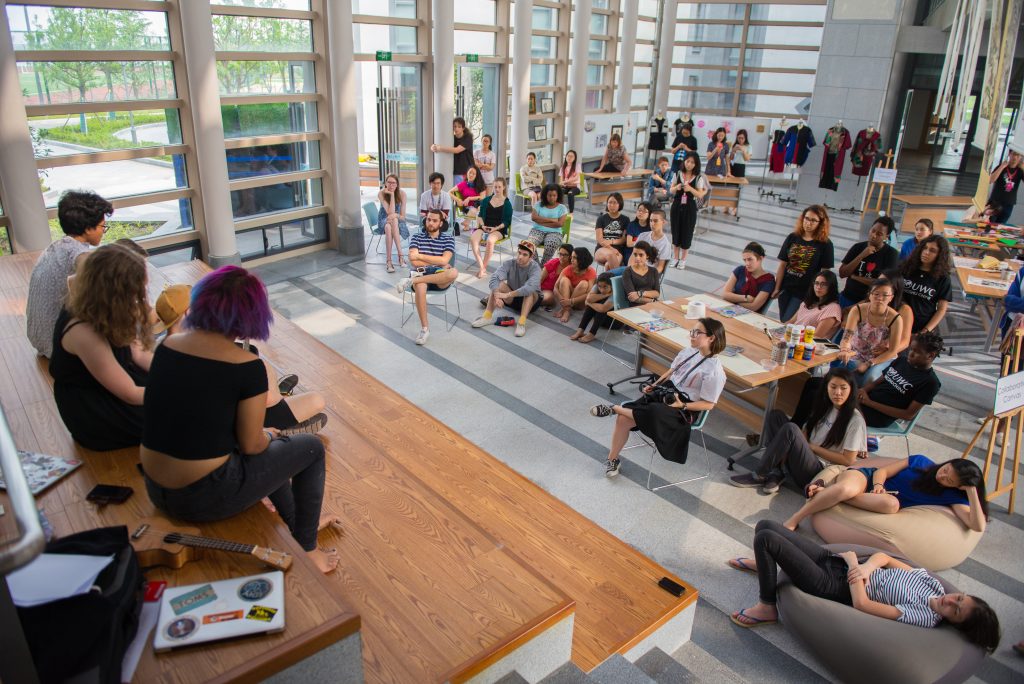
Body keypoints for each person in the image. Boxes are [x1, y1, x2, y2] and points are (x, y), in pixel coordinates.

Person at [140, 265, 338, 574]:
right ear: (251, 316)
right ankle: (309, 548)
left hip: (156, 487)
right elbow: (251, 446)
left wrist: (267, 439)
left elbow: (198, 420)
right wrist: (269, 437)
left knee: (275, 448)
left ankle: (301, 523)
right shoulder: (246, 365)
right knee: (310, 448)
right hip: (201, 496)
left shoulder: (168, 347)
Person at [726, 520, 1001, 655]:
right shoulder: (934, 586)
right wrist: (866, 567)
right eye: (959, 598)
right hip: (840, 564)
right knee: (766, 525)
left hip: (834, 585)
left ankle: (767, 606)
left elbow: (863, 605)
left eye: (956, 611)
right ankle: (766, 567)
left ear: (953, 622)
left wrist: (853, 565)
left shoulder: (926, 617)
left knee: (765, 539)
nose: (951, 602)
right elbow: (887, 558)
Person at [153, 283, 327, 435]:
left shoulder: (162, 346)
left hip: (207, 421)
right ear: (188, 313)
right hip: (237, 424)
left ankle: (283, 400)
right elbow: (264, 398)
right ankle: (280, 428)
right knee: (316, 400)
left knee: (254, 358)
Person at [590, 318, 727, 477]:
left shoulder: (715, 372)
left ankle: (614, 408)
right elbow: (672, 371)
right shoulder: (688, 351)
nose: (692, 335)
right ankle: (613, 460)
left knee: (653, 411)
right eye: (692, 331)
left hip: (685, 407)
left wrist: (681, 405)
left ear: (711, 338)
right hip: (667, 391)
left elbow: (709, 405)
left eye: (697, 333)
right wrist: (656, 384)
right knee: (623, 419)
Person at [50, 243, 151, 451]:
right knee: (179, 416)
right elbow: (129, 393)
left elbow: (139, 354)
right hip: (95, 408)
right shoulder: (83, 332)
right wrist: (177, 390)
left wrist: (177, 372)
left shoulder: (104, 308)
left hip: (116, 381)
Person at [730, 368, 866, 494]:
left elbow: (848, 460)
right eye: (833, 387)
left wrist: (812, 447)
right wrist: (801, 442)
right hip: (805, 455)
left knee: (791, 429)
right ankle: (776, 473)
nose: (838, 392)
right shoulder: (825, 405)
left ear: (851, 389)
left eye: (843, 388)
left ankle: (759, 474)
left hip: (817, 471)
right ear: (826, 387)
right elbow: (808, 428)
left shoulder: (855, 420)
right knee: (775, 416)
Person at [784, 455, 988, 533]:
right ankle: (795, 519)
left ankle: (827, 492)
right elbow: (883, 470)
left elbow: (977, 526)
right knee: (847, 489)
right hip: (867, 479)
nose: (942, 476)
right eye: (946, 470)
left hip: (881, 501)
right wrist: (878, 485)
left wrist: (970, 490)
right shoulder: (921, 462)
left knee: (892, 505)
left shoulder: (952, 496)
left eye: (949, 480)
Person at [26, 190, 112, 358]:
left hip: (38, 337)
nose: (104, 231)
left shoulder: (56, 247)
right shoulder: (79, 255)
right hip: (57, 346)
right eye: (103, 226)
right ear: (88, 228)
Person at [396, 209, 459, 346]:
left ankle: (410, 281)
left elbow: (445, 260)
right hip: (422, 273)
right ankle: (425, 329)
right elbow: (414, 261)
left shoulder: (448, 238)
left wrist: (420, 256)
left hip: (439, 277)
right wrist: (437, 262)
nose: (430, 223)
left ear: (441, 223)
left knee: (453, 273)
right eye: (429, 219)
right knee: (420, 286)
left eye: (434, 220)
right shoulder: (417, 237)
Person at [856, 331, 942, 428]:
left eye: (916, 352)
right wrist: (862, 390)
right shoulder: (902, 361)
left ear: (930, 355)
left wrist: (869, 403)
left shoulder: (930, 382)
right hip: (865, 401)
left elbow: (908, 415)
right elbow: (876, 383)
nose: (911, 354)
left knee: (843, 414)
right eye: (911, 349)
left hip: (879, 416)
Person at [834, 279, 904, 387]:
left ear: (891, 297)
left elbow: (892, 351)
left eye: (885, 295)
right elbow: (847, 336)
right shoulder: (857, 310)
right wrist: (844, 349)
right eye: (876, 294)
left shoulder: (895, 318)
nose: (880, 298)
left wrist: (869, 363)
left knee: (870, 377)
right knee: (840, 372)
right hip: (856, 352)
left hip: (880, 357)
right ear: (869, 295)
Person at [773, 205, 835, 322]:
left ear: (820, 223)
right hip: (786, 288)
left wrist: (818, 295)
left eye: (813, 220)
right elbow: (782, 264)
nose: (808, 223)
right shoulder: (793, 237)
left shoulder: (825, 244)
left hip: (805, 292)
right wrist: (777, 287)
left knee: (788, 321)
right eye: (806, 218)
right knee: (783, 320)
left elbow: (825, 273)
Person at [471, 240, 542, 337]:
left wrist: (507, 295)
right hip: (513, 299)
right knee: (498, 284)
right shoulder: (509, 263)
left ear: (531, 257)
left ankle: (521, 323)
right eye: (519, 253)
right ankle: (487, 317)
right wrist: (497, 296)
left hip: (531, 302)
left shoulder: (535, 268)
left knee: (529, 292)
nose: (520, 257)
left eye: (525, 255)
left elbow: (528, 288)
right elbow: (494, 278)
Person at [838, 216, 898, 310]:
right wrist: (862, 255)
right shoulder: (858, 247)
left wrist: (855, 277)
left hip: (870, 303)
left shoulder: (891, 254)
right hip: (847, 296)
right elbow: (842, 273)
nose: (873, 235)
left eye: (879, 234)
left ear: (886, 236)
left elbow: (882, 284)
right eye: (873, 230)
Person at [900, 235, 952, 334]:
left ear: (940, 255)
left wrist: (925, 331)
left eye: (932, 250)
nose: (926, 252)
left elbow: (941, 309)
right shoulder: (906, 267)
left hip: (921, 325)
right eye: (925, 248)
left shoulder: (943, 278)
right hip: (898, 320)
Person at [669, 152, 708, 270]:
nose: (689, 164)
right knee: (675, 231)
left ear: (696, 164)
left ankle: (683, 259)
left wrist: (690, 188)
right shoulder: (677, 173)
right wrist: (676, 188)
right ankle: (675, 257)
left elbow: (700, 194)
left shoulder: (698, 177)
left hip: (690, 207)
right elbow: (671, 190)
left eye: (692, 162)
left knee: (687, 233)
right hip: (676, 205)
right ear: (684, 161)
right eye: (687, 161)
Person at [470, 177, 513, 279]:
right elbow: (480, 216)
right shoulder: (486, 200)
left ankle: (482, 268)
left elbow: (507, 222)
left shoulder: (507, 203)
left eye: (499, 187)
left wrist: (495, 228)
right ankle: (482, 267)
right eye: (495, 187)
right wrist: (483, 225)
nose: (497, 189)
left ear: (503, 188)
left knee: (490, 240)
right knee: (473, 239)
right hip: (484, 227)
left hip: (498, 229)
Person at [784, 270, 843, 340]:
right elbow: (791, 322)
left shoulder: (833, 308)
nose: (818, 287)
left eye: (823, 284)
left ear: (831, 286)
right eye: (816, 283)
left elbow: (817, 336)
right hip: (791, 339)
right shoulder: (806, 303)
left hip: (808, 345)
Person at [721, 242, 776, 313]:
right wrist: (746, 298)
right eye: (745, 260)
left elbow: (754, 307)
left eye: (750, 259)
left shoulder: (768, 280)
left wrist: (732, 299)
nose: (747, 263)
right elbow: (724, 294)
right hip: (730, 312)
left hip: (751, 317)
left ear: (760, 258)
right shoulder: (740, 270)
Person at [552, 246, 597, 324]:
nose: (571, 260)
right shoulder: (568, 269)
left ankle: (565, 310)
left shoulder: (591, 272)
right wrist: (563, 301)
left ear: (582, 259)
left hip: (579, 303)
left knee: (583, 283)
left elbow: (589, 294)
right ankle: (566, 310)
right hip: (566, 300)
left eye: (575, 258)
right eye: (571, 257)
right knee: (564, 280)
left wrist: (570, 301)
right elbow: (555, 287)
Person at [527, 184, 569, 264]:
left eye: (554, 195)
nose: (552, 197)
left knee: (551, 245)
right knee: (529, 245)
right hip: (537, 230)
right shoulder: (538, 204)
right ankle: (537, 266)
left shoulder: (562, 208)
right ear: (545, 195)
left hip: (555, 232)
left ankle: (544, 265)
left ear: (558, 195)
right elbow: (534, 218)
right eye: (549, 195)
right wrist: (552, 220)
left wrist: (540, 221)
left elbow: (560, 224)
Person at [571, 272, 614, 343]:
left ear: (612, 286)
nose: (602, 290)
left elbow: (603, 308)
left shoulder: (615, 292)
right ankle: (580, 331)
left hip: (612, 322)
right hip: (599, 320)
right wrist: (605, 295)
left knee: (599, 308)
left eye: (605, 287)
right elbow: (589, 299)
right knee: (592, 306)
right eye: (600, 286)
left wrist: (589, 303)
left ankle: (591, 334)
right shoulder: (597, 285)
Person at [378, 173, 409, 273]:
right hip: (384, 219)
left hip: (398, 221)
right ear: (385, 183)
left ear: (397, 184)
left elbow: (402, 217)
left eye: (394, 183)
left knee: (391, 224)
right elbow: (389, 213)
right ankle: (401, 257)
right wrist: (391, 195)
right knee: (389, 224)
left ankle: (389, 261)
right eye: (389, 182)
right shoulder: (381, 193)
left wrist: (395, 216)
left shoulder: (402, 194)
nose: (391, 185)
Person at [430, 117, 474, 185]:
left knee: (464, 192)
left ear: (463, 128)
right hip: (456, 171)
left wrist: (440, 148)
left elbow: (457, 150)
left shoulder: (468, 137)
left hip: (466, 171)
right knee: (456, 192)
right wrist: (433, 146)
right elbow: (442, 145)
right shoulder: (451, 138)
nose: (456, 128)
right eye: (454, 126)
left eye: (459, 127)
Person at [621, 241, 662, 308]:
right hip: (635, 308)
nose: (637, 258)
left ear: (647, 256)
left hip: (653, 306)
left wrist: (640, 293)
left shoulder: (654, 271)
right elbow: (632, 298)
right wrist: (652, 301)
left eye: (641, 255)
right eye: (635, 254)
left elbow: (657, 293)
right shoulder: (628, 271)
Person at [595, 193, 629, 270]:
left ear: (620, 204)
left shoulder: (625, 219)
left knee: (608, 265)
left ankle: (606, 281)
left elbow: (624, 239)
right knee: (610, 255)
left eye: (615, 203)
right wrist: (611, 249)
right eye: (610, 202)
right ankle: (618, 281)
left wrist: (611, 241)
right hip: (602, 249)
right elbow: (599, 239)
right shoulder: (601, 219)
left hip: (618, 250)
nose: (612, 205)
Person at [986, 150, 1021, 224]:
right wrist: (1002, 166)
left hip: (1009, 204)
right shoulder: (1001, 167)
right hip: (995, 202)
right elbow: (990, 180)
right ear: (1009, 154)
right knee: (989, 223)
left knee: (1001, 226)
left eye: (1018, 155)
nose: (1015, 157)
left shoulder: (1020, 170)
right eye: (1014, 154)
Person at [635, 208, 672, 274]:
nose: (652, 223)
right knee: (611, 275)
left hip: (648, 274)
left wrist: (647, 276)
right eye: (651, 221)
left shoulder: (665, 244)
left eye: (655, 221)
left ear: (663, 222)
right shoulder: (642, 235)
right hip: (635, 269)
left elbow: (660, 267)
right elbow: (633, 256)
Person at [451, 165, 486, 232]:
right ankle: (480, 230)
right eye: (470, 172)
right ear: (467, 173)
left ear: (476, 175)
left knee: (480, 208)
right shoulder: (463, 184)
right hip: (467, 207)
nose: (471, 175)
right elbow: (450, 192)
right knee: (478, 211)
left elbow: (482, 197)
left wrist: (470, 198)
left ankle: (468, 224)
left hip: (478, 206)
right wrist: (457, 199)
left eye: (473, 173)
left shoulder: (480, 185)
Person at [539, 243, 573, 310]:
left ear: (570, 256)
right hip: (543, 289)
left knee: (548, 297)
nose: (562, 257)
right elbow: (540, 279)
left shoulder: (572, 267)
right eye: (560, 254)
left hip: (558, 294)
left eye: (565, 255)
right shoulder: (553, 263)